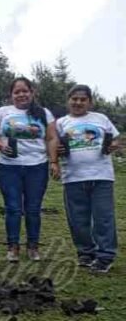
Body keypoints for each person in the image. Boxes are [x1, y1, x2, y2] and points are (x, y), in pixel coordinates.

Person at [0, 77, 57, 262]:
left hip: (37, 167)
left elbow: (51, 139)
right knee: (13, 208)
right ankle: (13, 247)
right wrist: (0, 146)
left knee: (33, 209)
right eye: (17, 92)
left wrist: (53, 161)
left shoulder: (44, 113)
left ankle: (33, 247)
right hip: (9, 168)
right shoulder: (2, 112)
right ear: (11, 95)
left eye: (25, 90)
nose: (21, 94)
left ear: (32, 92)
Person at [54, 84, 120, 273]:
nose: (78, 102)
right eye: (74, 99)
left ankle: (105, 255)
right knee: (77, 219)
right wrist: (56, 154)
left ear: (89, 102)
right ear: (68, 101)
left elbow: (115, 139)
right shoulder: (61, 123)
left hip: (102, 176)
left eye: (83, 99)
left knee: (103, 217)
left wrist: (113, 145)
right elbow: (53, 144)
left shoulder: (101, 119)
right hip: (73, 177)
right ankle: (85, 252)